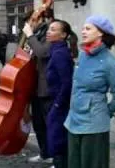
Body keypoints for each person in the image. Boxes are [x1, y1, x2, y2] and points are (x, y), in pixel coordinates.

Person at [64, 15, 115, 168]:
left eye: (88, 28)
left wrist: (106, 111)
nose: (83, 31)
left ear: (100, 33)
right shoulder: (82, 56)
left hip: (94, 126)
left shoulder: (110, 62)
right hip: (73, 121)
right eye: (83, 28)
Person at [22, 8, 54, 163]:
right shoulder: (34, 37)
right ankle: (44, 153)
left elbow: (42, 52)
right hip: (33, 85)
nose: (30, 25)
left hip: (46, 87)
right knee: (38, 124)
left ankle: (55, 156)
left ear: (39, 19)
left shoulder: (49, 34)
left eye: (31, 21)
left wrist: (29, 35)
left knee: (49, 123)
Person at [45, 20, 74, 168]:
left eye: (53, 29)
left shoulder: (60, 54)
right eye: (49, 29)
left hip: (60, 104)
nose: (48, 32)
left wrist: (57, 104)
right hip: (57, 102)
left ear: (63, 35)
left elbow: (67, 82)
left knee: (58, 139)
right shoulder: (55, 51)